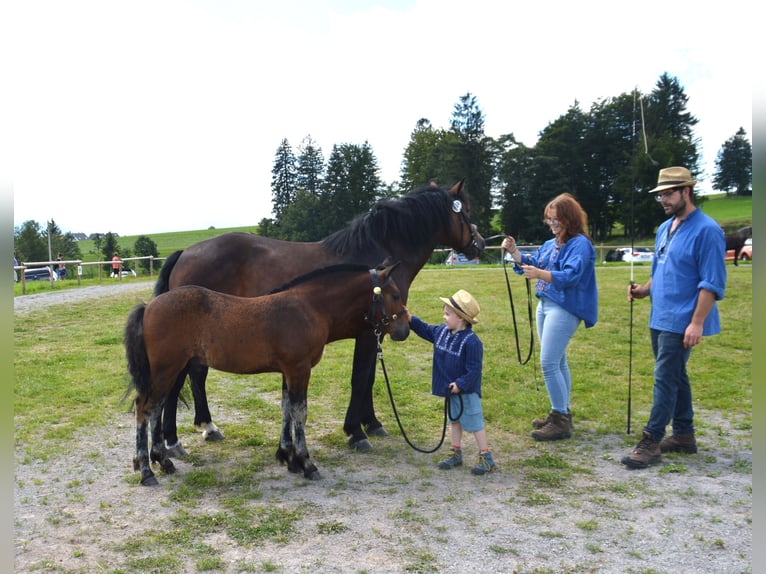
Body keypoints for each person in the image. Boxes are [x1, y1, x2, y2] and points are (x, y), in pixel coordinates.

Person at [621, 166, 727, 469]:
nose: (664, 199)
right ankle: (683, 434)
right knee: (676, 375)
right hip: (660, 315)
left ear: (686, 192)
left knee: (665, 378)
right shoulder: (664, 228)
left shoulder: (707, 231)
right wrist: (644, 290)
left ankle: (651, 440)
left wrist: (696, 322)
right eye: (661, 194)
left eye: (669, 193)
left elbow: (712, 282)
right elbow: (663, 269)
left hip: (683, 318)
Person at [502, 193, 598, 441]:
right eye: (549, 220)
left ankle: (560, 419)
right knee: (558, 361)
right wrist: (514, 252)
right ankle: (562, 413)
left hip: (564, 307)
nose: (552, 224)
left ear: (569, 219)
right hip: (545, 305)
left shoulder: (580, 244)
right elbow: (531, 262)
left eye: (556, 220)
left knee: (548, 363)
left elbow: (570, 276)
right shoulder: (549, 244)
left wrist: (540, 274)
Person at [408, 289, 495, 475]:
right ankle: (456, 452)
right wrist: (410, 319)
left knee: (474, 424)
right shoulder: (442, 332)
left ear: (461, 319)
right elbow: (425, 329)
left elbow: (474, 370)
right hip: (451, 391)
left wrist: (460, 384)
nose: (444, 317)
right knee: (454, 421)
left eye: (448, 314)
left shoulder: (472, 342)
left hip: (467, 393)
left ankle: (486, 456)